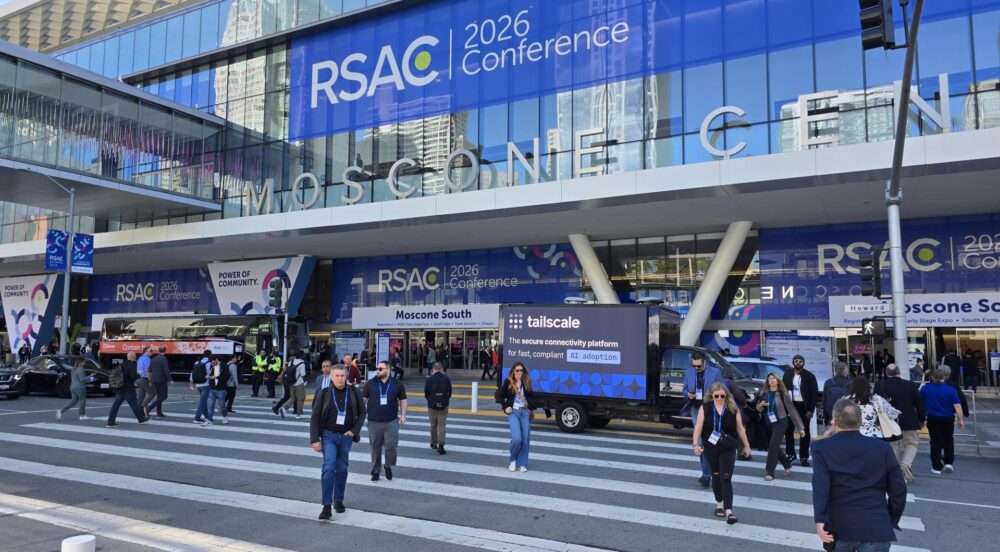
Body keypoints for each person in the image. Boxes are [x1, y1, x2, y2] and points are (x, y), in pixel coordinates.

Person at [813, 399, 907, 551]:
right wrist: (890, 518)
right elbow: (899, 489)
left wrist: (820, 519)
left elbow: (821, 487)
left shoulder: (821, 448)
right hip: (876, 524)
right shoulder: (882, 448)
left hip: (839, 525)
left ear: (834, 422)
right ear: (861, 421)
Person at [310, 364, 366, 519]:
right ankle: (326, 506)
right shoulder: (324, 393)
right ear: (331, 377)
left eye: (342, 376)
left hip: (346, 437)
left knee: (342, 469)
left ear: (346, 376)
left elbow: (362, 413)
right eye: (337, 376)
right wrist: (314, 439)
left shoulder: (354, 392)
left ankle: (338, 499)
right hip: (328, 435)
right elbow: (315, 416)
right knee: (328, 467)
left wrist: (354, 431)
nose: (340, 379)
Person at [692, 382, 752, 525]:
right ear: (711, 395)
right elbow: (698, 427)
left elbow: (740, 429)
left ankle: (729, 511)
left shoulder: (732, 408)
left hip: (727, 447)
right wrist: (695, 444)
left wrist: (747, 446)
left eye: (722, 396)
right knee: (716, 476)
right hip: (711, 447)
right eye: (716, 395)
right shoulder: (705, 408)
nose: (719, 398)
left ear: (727, 395)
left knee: (726, 477)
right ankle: (719, 504)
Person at [875, 364, 926, 483]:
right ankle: (906, 465)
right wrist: (922, 419)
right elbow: (919, 403)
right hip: (909, 420)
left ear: (886, 373)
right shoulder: (910, 385)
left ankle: (895, 472)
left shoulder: (880, 385)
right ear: (899, 372)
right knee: (911, 444)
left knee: (893, 446)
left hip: (889, 422)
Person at [684, 351, 726, 487]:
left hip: (711, 409)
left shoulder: (715, 372)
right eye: (694, 366)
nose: (696, 369)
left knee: (710, 440)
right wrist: (688, 394)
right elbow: (684, 389)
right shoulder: (688, 372)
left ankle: (709, 473)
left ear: (704, 363)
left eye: (698, 366)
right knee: (702, 441)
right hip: (696, 409)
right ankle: (706, 474)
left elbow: (723, 389)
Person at [363, 361, 408, 481]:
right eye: (377, 368)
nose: (377, 370)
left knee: (391, 446)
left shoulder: (397, 384)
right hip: (373, 422)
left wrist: (403, 415)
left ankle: (388, 465)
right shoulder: (370, 383)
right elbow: (364, 400)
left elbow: (403, 400)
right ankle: (375, 471)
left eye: (380, 368)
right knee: (375, 448)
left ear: (388, 370)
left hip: (391, 421)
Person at [755, 373, 805, 481]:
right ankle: (787, 464)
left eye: (774, 379)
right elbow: (758, 409)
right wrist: (761, 405)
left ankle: (770, 472)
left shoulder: (783, 394)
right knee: (774, 446)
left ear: (778, 381)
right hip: (769, 423)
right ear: (768, 381)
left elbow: (792, 411)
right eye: (770, 379)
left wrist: (800, 428)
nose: (772, 380)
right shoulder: (764, 393)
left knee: (772, 446)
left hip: (781, 423)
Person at [920, 368, 965, 475]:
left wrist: (921, 418)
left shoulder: (925, 389)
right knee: (948, 440)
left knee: (935, 441)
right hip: (948, 418)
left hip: (932, 417)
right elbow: (957, 406)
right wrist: (960, 419)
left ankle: (936, 467)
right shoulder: (951, 390)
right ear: (944, 377)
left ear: (932, 377)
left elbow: (921, 404)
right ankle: (949, 462)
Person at [826, 376, 899, 440]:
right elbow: (893, 414)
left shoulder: (845, 399)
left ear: (852, 386)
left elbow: (837, 418)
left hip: (850, 435)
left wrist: (830, 430)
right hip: (874, 436)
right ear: (868, 386)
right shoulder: (876, 399)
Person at [497, 361, 535, 472]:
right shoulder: (508, 382)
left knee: (525, 439)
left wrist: (530, 405)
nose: (519, 372)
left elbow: (532, 398)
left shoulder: (527, 382)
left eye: (521, 370)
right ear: (513, 371)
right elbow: (499, 395)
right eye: (517, 370)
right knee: (517, 438)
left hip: (524, 412)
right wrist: (505, 407)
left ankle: (522, 463)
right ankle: (513, 460)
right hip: (513, 412)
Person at [782, 354, 819, 467]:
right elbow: (783, 391)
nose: (798, 363)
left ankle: (804, 456)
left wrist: (810, 410)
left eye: (800, 361)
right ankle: (790, 454)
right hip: (791, 406)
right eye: (796, 361)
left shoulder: (809, 376)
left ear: (803, 363)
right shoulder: (787, 374)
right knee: (788, 431)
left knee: (804, 432)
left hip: (804, 407)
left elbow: (814, 394)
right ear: (793, 362)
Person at [106, 352, 150, 427]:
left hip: (120, 388)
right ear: (134, 357)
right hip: (128, 388)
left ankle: (111, 421)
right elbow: (133, 377)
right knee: (134, 405)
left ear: (127, 357)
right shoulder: (132, 365)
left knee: (115, 405)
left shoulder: (122, 364)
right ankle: (141, 419)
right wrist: (138, 375)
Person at [424, 361, 452, 454]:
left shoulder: (429, 379)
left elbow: (426, 393)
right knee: (442, 425)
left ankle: (433, 443)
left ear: (433, 369)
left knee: (433, 425)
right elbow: (450, 392)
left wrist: (431, 401)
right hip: (443, 406)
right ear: (442, 369)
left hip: (432, 406)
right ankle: (441, 445)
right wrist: (444, 400)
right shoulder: (446, 378)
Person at [144, 346, 171, 418]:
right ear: (165, 351)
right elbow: (166, 370)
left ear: (159, 351)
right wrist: (170, 379)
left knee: (159, 395)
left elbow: (150, 370)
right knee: (164, 396)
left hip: (154, 379)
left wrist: (150, 379)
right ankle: (149, 408)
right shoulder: (163, 359)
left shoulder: (153, 359)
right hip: (161, 379)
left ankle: (159, 412)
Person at [190, 351, 212, 425]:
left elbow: (192, 373)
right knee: (202, 402)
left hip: (198, 384)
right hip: (206, 384)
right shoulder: (209, 363)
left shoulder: (196, 362)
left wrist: (192, 383)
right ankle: (196, 418)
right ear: (210, 355)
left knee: (203, 401)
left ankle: (206, 416)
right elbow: (210, 374)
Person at [206, 356, 229, 425]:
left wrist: (216, 377)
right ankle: (210, 420)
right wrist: (208, 376)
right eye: (211, 363)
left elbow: (227, 376)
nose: (212, 364)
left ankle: (225, 416)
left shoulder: (224, 366)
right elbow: (210, 375)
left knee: (222, 404)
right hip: (212, 388)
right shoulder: (211, 366)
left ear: (216, 360)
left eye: (213, 362)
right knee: (210, 405)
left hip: (221, 389)